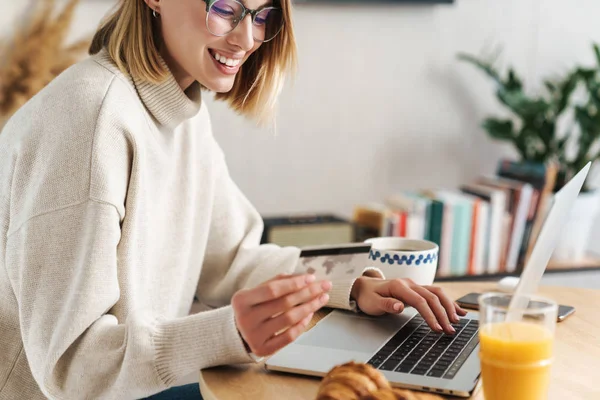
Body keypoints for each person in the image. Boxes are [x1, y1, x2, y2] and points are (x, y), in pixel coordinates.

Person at [0, 0, 466, 399]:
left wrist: (350, 287)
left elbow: (232, 258)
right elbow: (73, 366)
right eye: (224, 7)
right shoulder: (89, 120)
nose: (247, 37)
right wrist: (229, 334)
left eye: (262, 15)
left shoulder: (182, 111)